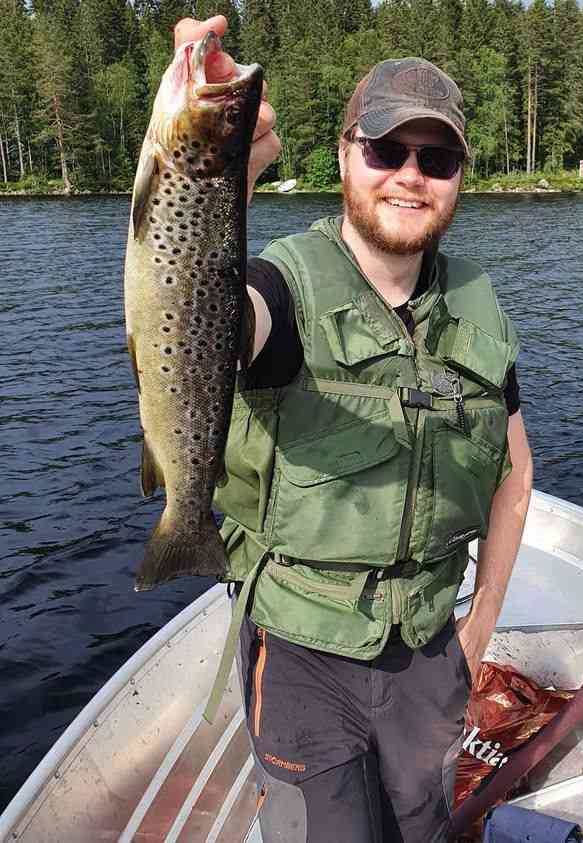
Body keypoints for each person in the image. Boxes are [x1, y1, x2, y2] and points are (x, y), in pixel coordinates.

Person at [175, 16, 533, 843]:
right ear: (343, 156)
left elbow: (515, 471)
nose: (410, 177)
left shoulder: (476, 305)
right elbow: (208, 324)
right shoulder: (279, 286)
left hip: (430, 653)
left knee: (422, 830)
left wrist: (479, 624)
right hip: (303, 655)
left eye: (435, 159)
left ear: (457, 178)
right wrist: (224, 163)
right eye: (385, 151)